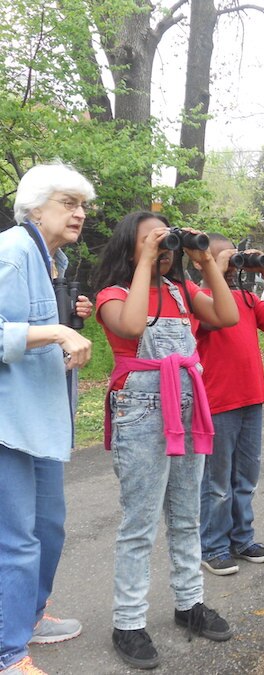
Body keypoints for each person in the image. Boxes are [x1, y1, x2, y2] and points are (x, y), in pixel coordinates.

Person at [94, 211, 239, 670]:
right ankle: (128, 622)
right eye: (149, 241)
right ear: (128, 248)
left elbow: (229, 314)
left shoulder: (181, 291)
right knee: (139, 523)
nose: (161, 249)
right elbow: (133, 327)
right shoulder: (112, 295)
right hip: (140, 412)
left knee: (186, 515)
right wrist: (145, 262)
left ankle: (189, 603)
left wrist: (205, 261)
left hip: (187, 406)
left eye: (165, 242)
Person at [0, 164, 94, 675]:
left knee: (48, 527)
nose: (79, 213)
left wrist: (66, 318)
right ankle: (8, 651)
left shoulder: (51, 259)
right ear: (35, 207)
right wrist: (55, 331)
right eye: (67, 203)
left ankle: (28, 616)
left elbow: (30, 322)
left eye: (82, 205)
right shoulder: (13, 252)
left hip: (40, 418)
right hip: (8, 420)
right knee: (16, 539)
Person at [195, 235, 264, 576]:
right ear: (200, 262)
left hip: (251, 398)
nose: (232, 267)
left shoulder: (248, 299)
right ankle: (213, 546)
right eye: (224, 260)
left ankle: (242, 537)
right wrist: (216, 269)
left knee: (245, 477)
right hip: (218, 402)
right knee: (217, 483)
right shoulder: (200, 299)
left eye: (235, 260)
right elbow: (208, 323)